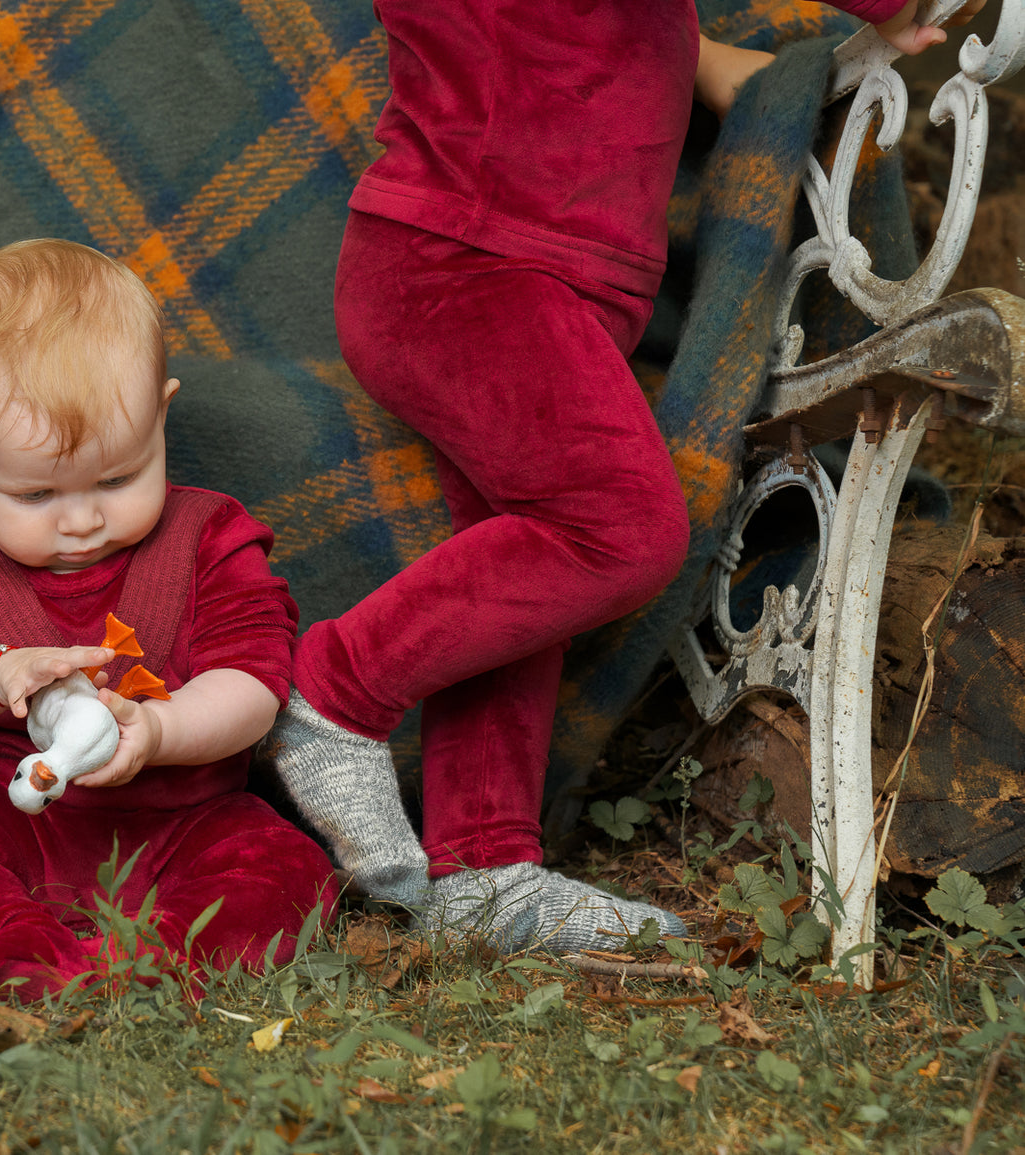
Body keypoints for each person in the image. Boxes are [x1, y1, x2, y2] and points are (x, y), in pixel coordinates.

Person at [269, 0, 969, 954]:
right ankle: (336, 691)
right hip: (464, 264)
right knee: (619, 527)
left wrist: (699, 54)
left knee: (516, 578)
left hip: (553, 278)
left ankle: (484, 865)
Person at [0, 238, 339, 1002]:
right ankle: (21, 954)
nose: (81, 520)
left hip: (182, 815)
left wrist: (160, 732)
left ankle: (154, 965)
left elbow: (252, 683)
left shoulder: (210, 538)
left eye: (118, 476)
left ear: (160, 416)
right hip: (5, 808)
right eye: (34, 495)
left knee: (284, 868)